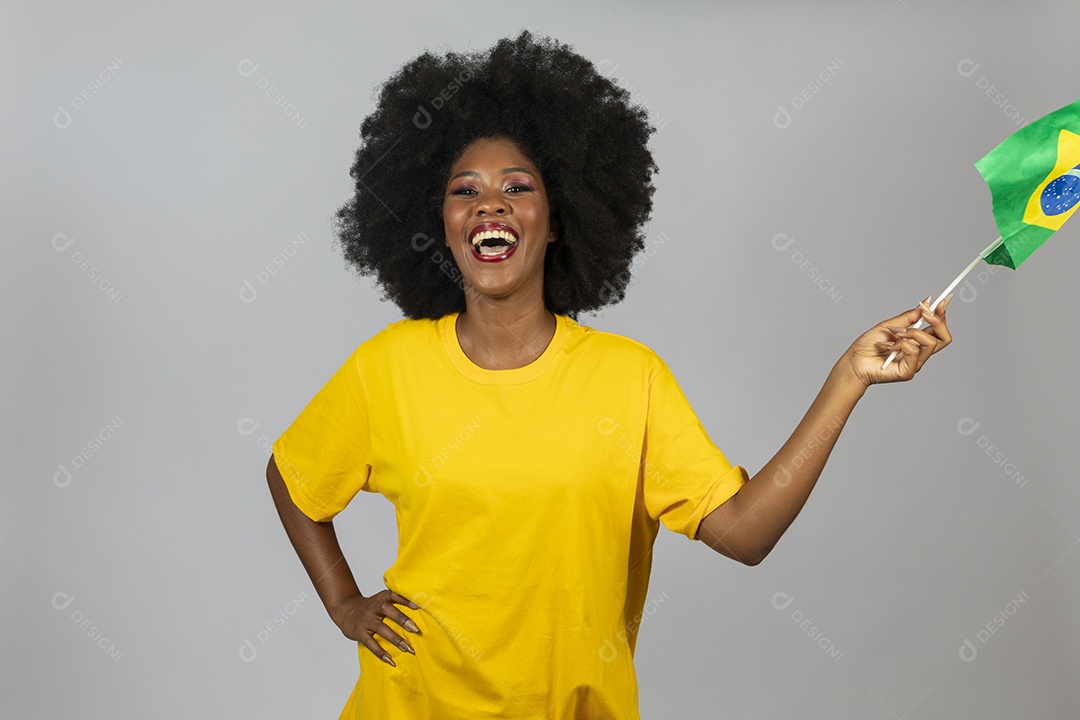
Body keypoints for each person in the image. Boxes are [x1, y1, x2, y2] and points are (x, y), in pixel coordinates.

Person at [265, 31, 952, 720]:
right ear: (441, 224)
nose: (489, 204)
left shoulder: (630, 379)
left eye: (517, 187)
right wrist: (345, 604)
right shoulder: (389, 366)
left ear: (556, 222)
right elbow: (293, 478)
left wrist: (848, 378)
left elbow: (745, 535)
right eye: (464, 190)